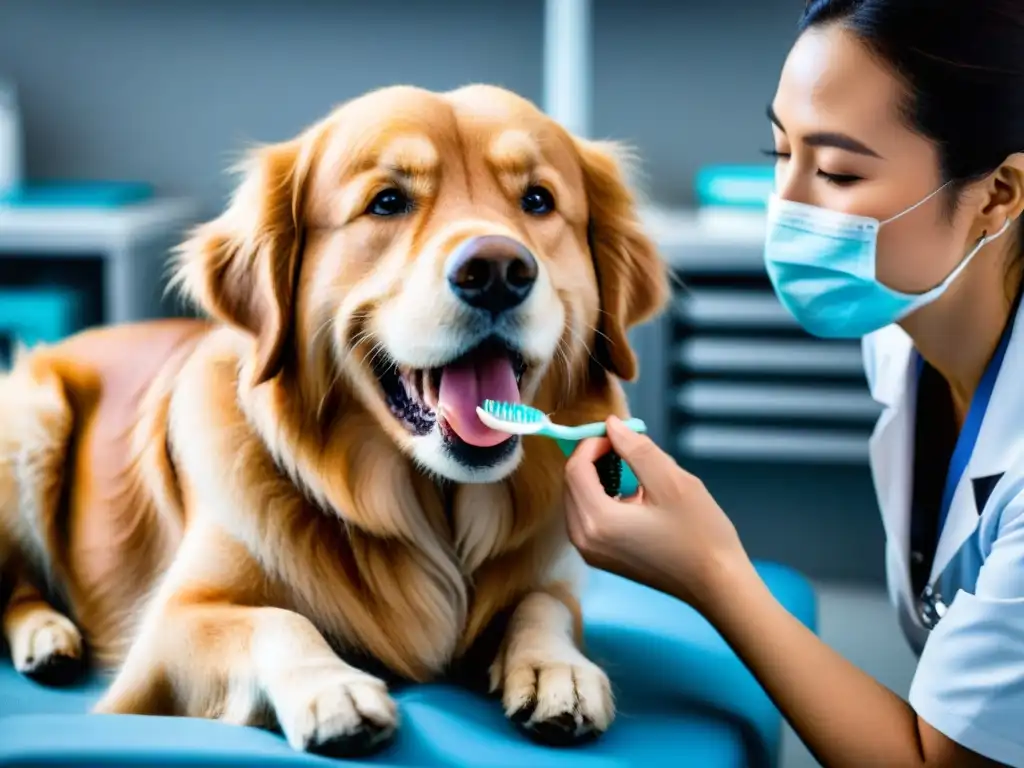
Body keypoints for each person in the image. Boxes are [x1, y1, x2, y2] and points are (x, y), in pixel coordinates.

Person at [564, 2, 1024, 766]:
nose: (789, 207)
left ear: (1000, 192)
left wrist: (714, 574)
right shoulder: (901, 323)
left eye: (840, 171)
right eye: (780, 153)